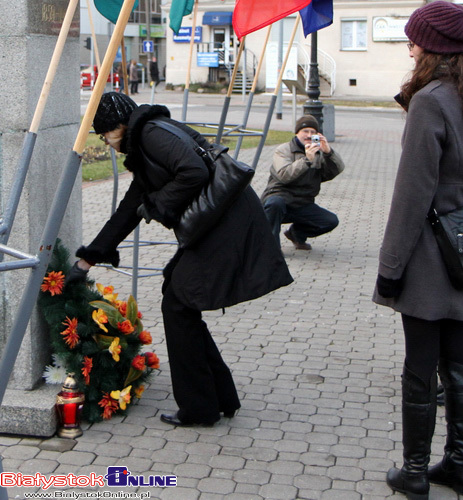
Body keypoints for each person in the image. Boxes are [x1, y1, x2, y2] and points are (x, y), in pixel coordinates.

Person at [69, 92, 293, 427]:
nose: (106, 142)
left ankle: (200, 407)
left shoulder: (150, 134)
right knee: (178, 300)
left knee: (178, 304)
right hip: (217, 224)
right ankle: (219, 397)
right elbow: (130, 208)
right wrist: (87, 259)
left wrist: (158, 203)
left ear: (117, 126)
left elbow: (193, 171)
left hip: (226, 225)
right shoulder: (145, 141)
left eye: (104, 135)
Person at [372, 2, 463, 499]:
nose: (409, 48)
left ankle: (416, 472)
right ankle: (461, 467)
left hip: (429, 258)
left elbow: (411, 196)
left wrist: (390, 268)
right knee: (460, 362)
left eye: (412, 40)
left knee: (420, 367)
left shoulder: (432, 100)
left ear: (430, 47)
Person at [260, 115, 345, 250]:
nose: (309, 135)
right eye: (305, 131)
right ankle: (271, 249)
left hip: (302, 202)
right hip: (278, 199)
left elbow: (333, 172)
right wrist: (306, 160)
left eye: (313, 132)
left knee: (330, 221)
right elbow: (284, 175)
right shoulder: (283, 150)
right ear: (297, 132)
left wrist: (329, 153)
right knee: (275, 204)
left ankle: (296, 234)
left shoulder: (318, 152)